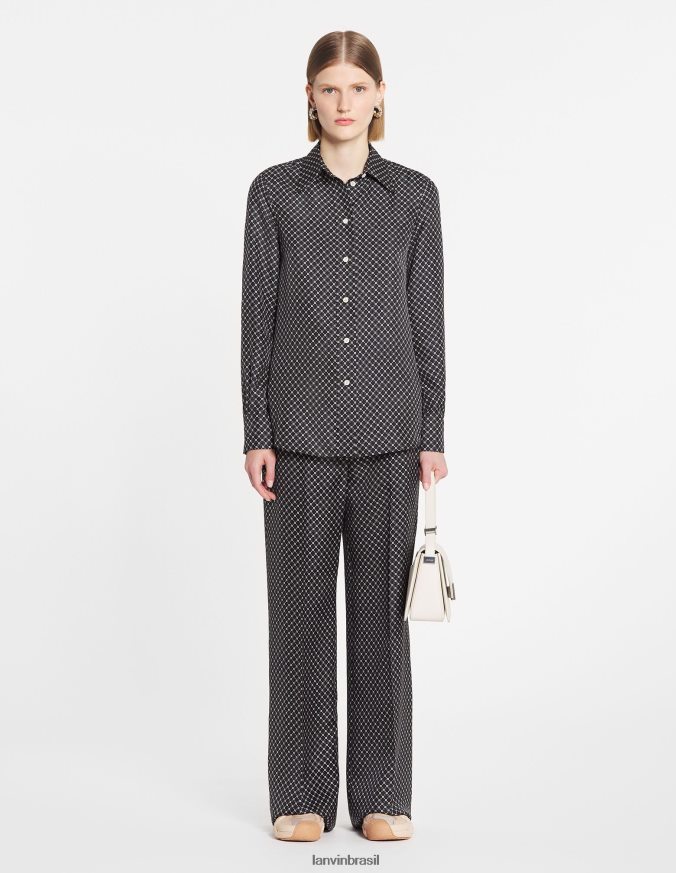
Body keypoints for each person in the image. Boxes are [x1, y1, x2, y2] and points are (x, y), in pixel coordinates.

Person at [240, 30, 448, 843]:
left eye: (357, 88)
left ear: (379, 97)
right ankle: (301, 795)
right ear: (308, 97)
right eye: (329, 88)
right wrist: (256, 427)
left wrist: (432, 428)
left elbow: (426, 319)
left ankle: (382, 796)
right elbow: (258, 316)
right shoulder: (273, 194)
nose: (343, 103)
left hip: (392, 436)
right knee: (298, 622)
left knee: (380, 627)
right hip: (296, 438)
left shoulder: (415, 197)